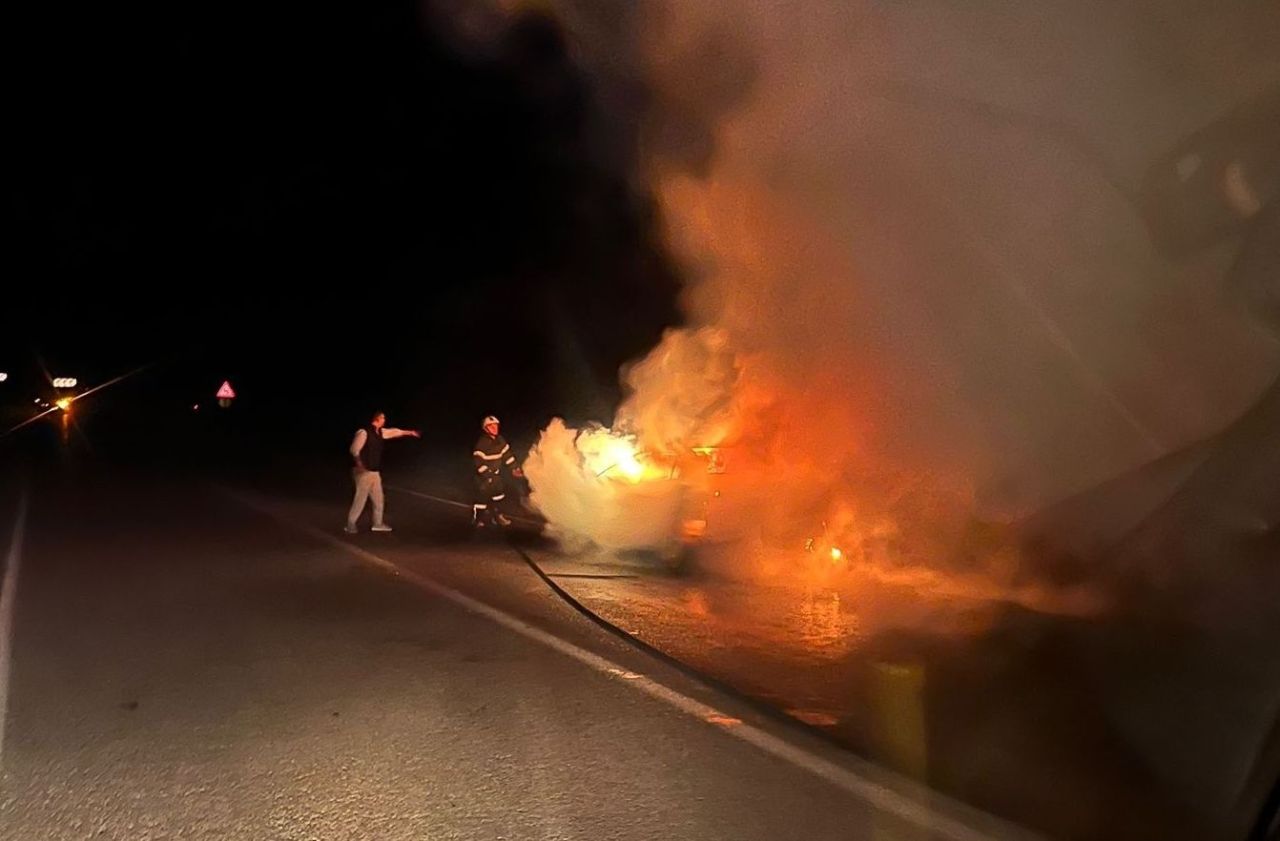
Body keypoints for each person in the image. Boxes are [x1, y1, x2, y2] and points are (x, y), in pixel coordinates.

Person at [346, 411, 420, 534]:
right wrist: (359, 464)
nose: (384, 420)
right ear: (376, 419)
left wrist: (410, 432)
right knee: (360, 499)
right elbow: (354, 449)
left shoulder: (380, 432)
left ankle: (377, 523)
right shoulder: (364, 432)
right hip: (364, 472)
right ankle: (350, 524)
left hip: (375, 472)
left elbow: (394, 431)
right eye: (382, 418)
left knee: (379, 499)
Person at [472, 415, 521, 528]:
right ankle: (478, 520)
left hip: (496, 476)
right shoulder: (482, 443)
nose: (495, 428)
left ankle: (497, 517)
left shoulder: (500, 440)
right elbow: (478, 463)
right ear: (486, 428)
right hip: (482, 478)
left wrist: (514, 468)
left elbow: (507, 456)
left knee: (498, 497)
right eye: (491, 426)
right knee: (481, 500)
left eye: (496, 425)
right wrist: (487, 476)